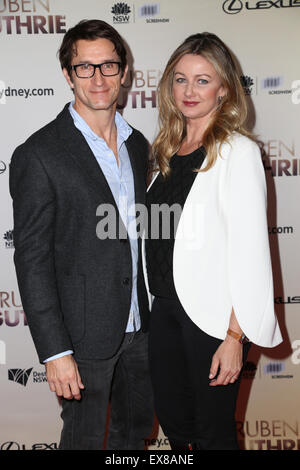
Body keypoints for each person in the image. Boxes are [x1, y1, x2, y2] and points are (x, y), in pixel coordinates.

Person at [9, 19, 153, 450]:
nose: (98, 78)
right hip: (81, 336)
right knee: (85, 440)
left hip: (140, 327)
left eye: (108, 65)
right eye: (84, 67)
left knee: (134, 436)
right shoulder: (39, 153)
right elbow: (31, 259)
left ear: (124, 72)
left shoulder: (138, 144)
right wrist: (56, 352)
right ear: (68, 75)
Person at [145, 32, 282, 451]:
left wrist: (234, 338)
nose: (189, 91)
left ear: (224, 89)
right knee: (176, 427)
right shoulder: (167, 150)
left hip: (211, 320)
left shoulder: (236, 151)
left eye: (203, 80)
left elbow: (250, 253)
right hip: (164, 310)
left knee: (213, 435)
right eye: (181, 79)